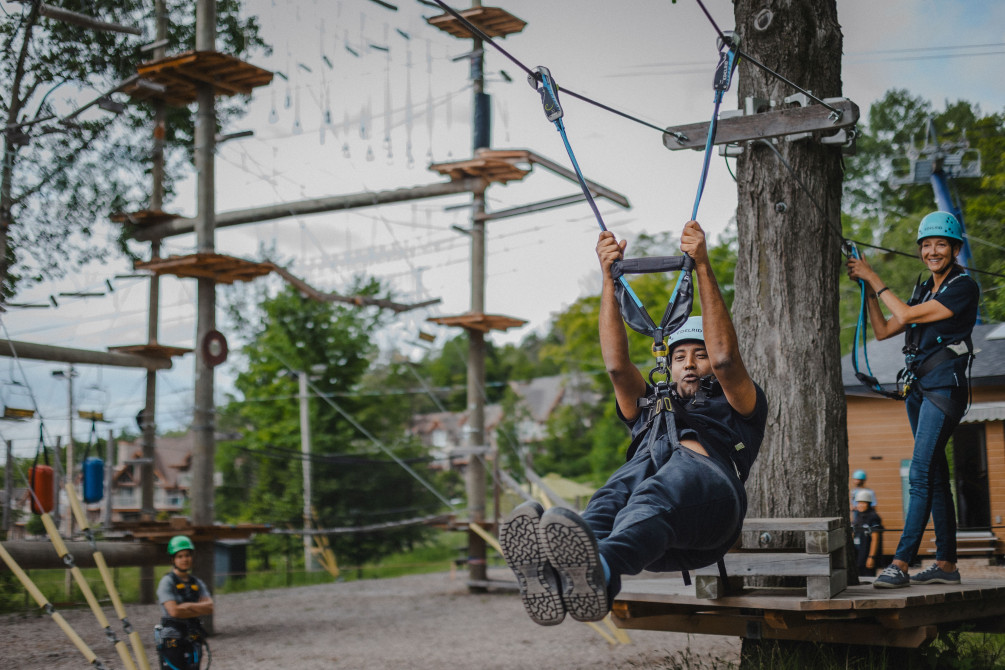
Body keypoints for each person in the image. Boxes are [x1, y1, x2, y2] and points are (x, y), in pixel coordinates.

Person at [499, 221, 768, 625]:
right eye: (680, 357)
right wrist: (609, 279)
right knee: (610, 497)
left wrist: (703, 267)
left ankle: (599, 571)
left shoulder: (738, 403)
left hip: (712, 513)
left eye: (700, 355)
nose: (691, 363)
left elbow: (727, 359)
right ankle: (561, 575)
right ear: (668, 365)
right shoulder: (650, 404)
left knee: (652, 491)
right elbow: (615, 366)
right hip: (653, 543)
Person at [846, 211, 979, 589]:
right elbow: (885, 328)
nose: (932, 251)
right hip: (919, 388)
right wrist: (869, 291)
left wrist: (874, 276)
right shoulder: (926, 289)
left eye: (940, 244)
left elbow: (902, 313)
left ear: (954, 249)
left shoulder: (962, 287)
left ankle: (900, 563)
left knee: (920, 475)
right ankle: (946, 565)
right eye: (926, 245)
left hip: (944, 389)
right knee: (935, 477)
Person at [156, 536, 213, 670]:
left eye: (187, 555)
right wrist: (198, 608)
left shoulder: (196, 582)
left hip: (193, 634)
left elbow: (209, 607)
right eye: (180, 556)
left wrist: (188, 606)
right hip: (172, 637)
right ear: (173, 559)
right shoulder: (167, 582)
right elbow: (174, 611)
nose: (184, 559)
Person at [852, 489, 884, 577]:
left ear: (869, 504)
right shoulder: (858, 516)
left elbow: (875, 539)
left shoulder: (873, 517)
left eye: (863, 503)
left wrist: (871, 557)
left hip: (867, 555)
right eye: (859, 503)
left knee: (867, 578)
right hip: (858, 554)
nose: (860, 505)